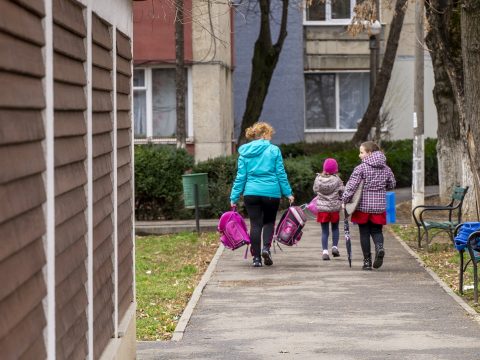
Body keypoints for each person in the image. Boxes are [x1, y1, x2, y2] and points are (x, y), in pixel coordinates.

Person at [230, 122, 294, 267]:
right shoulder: (274, 150)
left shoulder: (245, 153)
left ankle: (256, 259)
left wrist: (234, 197)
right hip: (271, 193)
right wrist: (288, 193)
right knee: (269, 222)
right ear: (265, 135)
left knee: (255, 224)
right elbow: (280, 174)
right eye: (270, 135)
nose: (271, 138)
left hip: (251, 193)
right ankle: (266, 248)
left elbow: (241, 177)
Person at [342, 141, 396, 270]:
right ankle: (379, 247)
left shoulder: (361, 168)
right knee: (377, 231)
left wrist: (344, 200)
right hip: (379, 206)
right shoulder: (386, 168)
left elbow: (351, 187)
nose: (359, 155)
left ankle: (367, 262)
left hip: (363, 207)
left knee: (364, 233)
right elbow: (392, 184)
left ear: (369, 153)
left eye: (361, 152)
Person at [313, 158, 345, 261]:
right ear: (335, 169)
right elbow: (342, 191)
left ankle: (325, 252)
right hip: (334, 208)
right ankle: (335, 247)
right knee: (335, 228)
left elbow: (315, 190)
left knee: (324, 231)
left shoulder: (318, 179)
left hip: (322, 209)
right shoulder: (337, 180)